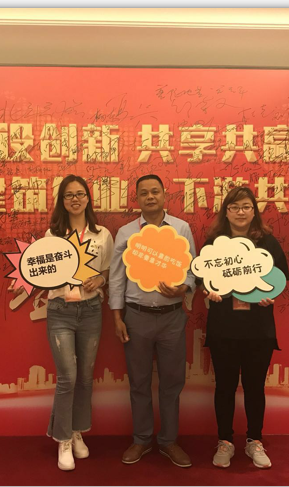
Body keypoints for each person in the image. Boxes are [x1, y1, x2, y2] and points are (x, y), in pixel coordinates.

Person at [109, 174, 197, 468]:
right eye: (144, 193)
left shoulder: (181, 228)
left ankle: (169, 441)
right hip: (136, 317)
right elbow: (116, 277)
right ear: (137, 199)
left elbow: (193, 270)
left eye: (155, 192)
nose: (150, 197)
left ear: (164, 195)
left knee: (172, 382)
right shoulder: (126, 233)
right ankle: (142, 439)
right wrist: (117, 317)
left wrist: (184, 287)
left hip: (172, 317)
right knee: (139, 382)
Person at [200, 186, 289, 470]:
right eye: (235, 207)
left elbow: (279, 280)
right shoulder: (214, 243)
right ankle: (225, 441)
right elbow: (202, 279)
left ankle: (254, 440)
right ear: (226, 212)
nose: (240, 212)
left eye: (246, 207)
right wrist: (208, 292)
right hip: (223, 327)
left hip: (258, 329)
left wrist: (270, 296)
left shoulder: (268, 242)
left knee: (255, 387)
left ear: (254, 212)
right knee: (224, 387)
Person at [44, 174, 114, 471]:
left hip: (91, 310)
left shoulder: (102, 235)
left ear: (88, 198)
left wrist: (99, 280)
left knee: (85, 377)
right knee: (67, 377)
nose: (75, 199)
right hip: (60, 310)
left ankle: (76, 431)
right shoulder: (52, 236)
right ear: (62, 201)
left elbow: (108, 270)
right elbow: (44, 273)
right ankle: (62, 439)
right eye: (69, 195)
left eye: (80, 194)